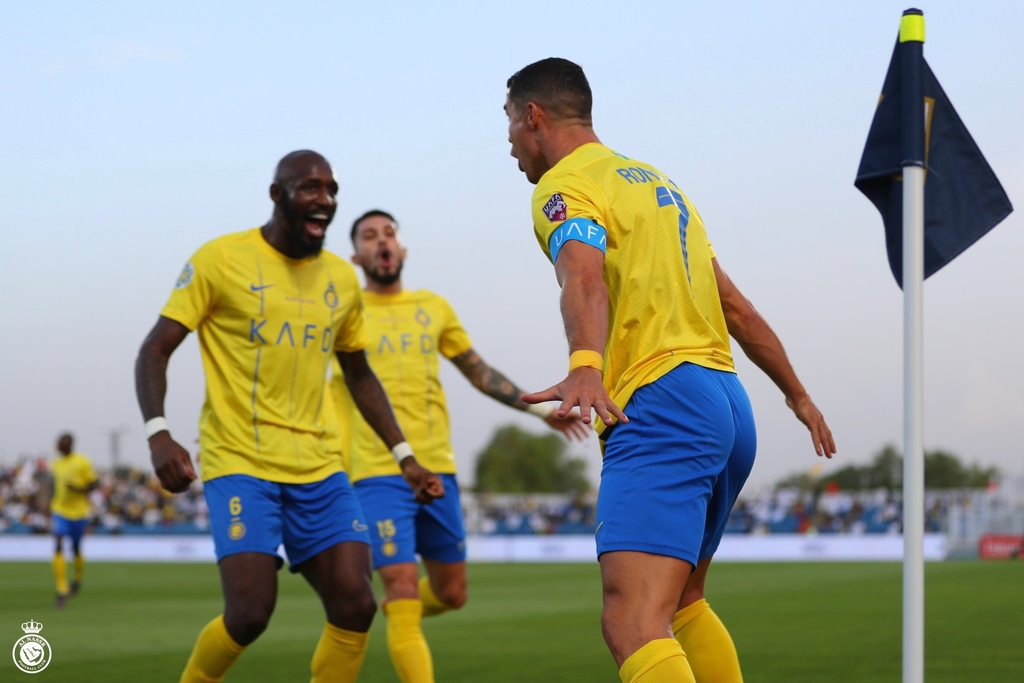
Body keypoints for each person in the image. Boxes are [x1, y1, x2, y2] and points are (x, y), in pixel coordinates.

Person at [504, 58, 837, 683]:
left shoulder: (563, 185)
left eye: (508, 123)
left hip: (662, 403)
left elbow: (583, 275)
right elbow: (735, 307)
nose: (509, 143)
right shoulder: (659, 186)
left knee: (632, 622)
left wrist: (585, 364)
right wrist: (797, 395)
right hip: (727, 403)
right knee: (683, 603)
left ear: (533, 116)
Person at [134, 150, 444, 683]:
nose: (324, 199)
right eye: (310, 188)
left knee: (357, 606)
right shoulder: (220, 259)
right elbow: (154, 350)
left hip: (320, 467)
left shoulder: (340, 278)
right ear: (278, 195)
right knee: (249, 614)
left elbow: (359, 374)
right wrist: (158, 434)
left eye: (331, 190)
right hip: (241, 461)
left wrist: (406, 458)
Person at [332, 209, 588, 683]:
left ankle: (400, 611)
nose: (381, 241)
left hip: (438, 468)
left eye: (388, 233)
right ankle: (402, 610)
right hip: (376, 469)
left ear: (402, 249)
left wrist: (539, 412)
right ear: (355, 256)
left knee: (452, 593)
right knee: (402, 586)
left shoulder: (433, 307)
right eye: (369, 236)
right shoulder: (343, 312)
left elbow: (478, 371)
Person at [50, 432, 97, 608]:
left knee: (76, 547)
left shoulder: (82, 461)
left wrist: (77, 489)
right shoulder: (56, 464)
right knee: (58, 542)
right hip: (59, 510)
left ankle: (77, 577)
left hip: (79, 512)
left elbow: (94, 484)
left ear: (69, 445)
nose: (59, 447)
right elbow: (55, 486)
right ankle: (62, 589)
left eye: (62, 443)